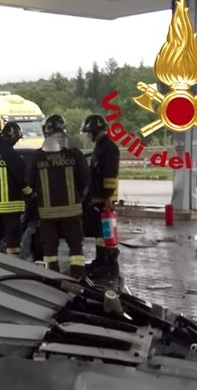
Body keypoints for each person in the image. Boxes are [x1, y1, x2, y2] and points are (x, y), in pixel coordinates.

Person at [27, 114, 90, 279]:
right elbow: (85, 180)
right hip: (72, 211)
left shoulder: (37, 157)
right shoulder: (74, 154)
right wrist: (79, 199)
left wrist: (34, 202)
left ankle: (53, 281)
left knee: (50, 249)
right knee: (75, 247)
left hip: (47, 213)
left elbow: (28, 184)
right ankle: (77, 279)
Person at [0, 122, 35, 257]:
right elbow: (22, 181)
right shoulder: (13, 156)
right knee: (13, 243)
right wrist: (32, 195)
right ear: (13, 136)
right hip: (11, 208)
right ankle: (11, 266)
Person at [80, 114, 121, 286]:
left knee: (105, 232)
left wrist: (108, 196)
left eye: (89, 132)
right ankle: (101, 259)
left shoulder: (108, 148)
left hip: (105, 197)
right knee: (100, 231)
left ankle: (110, 264)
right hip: (99, 196)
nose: (88, 136)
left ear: (95, 131)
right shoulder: (101, 147)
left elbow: (110, 174)